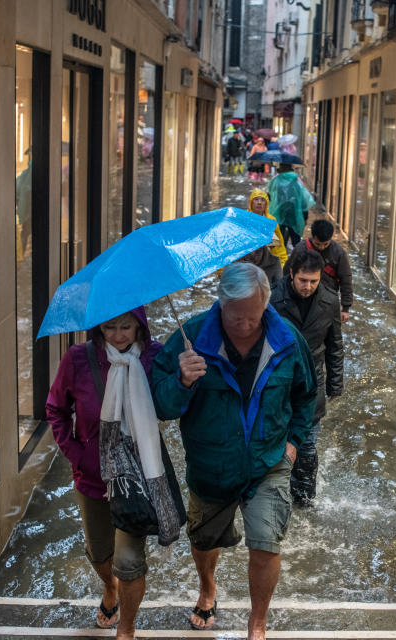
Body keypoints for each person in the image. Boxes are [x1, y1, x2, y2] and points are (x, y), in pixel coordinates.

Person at [151, 263, 317, 640]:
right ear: (220, 304)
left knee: (266, 543)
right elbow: (159, 406)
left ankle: (257, 622)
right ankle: (207, 589)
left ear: (266, 304)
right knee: (204, 539)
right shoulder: (190, 338)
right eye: (235, 316)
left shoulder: (288, 340)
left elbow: (306, 394)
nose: (244, 325)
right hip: (212, 465)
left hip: (269, 462)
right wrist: (181, 381)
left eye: (253, 316)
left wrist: (293, 443)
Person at [46, 309, 181, 640]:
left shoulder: (157, 356)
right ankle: (110, 588)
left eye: (126, 327)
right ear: (98, 328)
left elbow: (172, 406)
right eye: (110, 328)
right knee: (100, 553)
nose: (119, 335)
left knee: (129, 561)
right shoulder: (77, 359)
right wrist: (78, 455)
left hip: (139, 478)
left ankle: (127, 628)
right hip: (92, 477)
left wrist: (185, 379)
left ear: (140, 326)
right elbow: (56, 410)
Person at [270, 250, 343, 506]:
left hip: (313, 381)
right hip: (278, 380)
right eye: (303, 280)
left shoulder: (330, 300)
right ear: (291, 273)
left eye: (313, 281)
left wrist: (336, 383)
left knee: (308, 445)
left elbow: (335, 344)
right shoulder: (272, 297)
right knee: (275, 441)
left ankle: (303, 499)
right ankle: (274, 495)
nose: (308, 286)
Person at [283, 220, 353, 322]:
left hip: (326, 299)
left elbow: (346, 279)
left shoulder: (339, 253)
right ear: (312, 236)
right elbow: (286, 273)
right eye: (318, 244)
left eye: (325, 244)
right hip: (301, 297)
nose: (321, 247)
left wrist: (345, 307)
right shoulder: (300, 249)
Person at [266, 163, 315, 248]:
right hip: (294, 215)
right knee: (296, 242)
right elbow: (304, 202)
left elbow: (268, 197)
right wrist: (305, 217)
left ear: (280, 170)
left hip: (278, 214)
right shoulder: (297, 182)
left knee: (277, 242)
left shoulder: (274, 181)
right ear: (292, 170)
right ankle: (296, 258)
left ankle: (280, 258)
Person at [248, 188, 288, 266]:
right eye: (256, 199)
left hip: (265, 261)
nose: (259, 203)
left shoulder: (270, 221)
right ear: (251, 202)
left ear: (266, 204)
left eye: (263, 200)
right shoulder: (244, 219)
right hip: (248, 260)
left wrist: (282, 263)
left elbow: (278, 246)